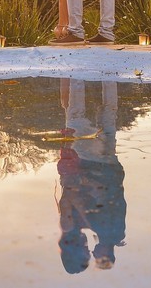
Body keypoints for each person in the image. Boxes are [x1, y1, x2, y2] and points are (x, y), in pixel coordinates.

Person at [55, 78, 126, 272]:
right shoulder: (75, 225)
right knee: (76, 113)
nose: (91, 253)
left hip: (110, 164)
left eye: (87, 256)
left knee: (109, 112)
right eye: (94, 257)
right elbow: (76, 192)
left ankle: (109, 71)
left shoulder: (113, 232)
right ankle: (77, 68)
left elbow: (116, 198)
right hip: (90, 162)